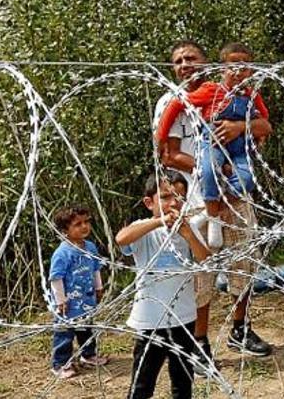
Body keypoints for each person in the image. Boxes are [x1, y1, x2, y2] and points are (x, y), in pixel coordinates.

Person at [154, 41, 274, 365]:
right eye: (178, 60)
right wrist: (211, 171)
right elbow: (167, 152)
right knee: (201, 272)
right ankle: (200, 341)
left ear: (207, 64)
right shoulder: (172, 101)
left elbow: (264, 125)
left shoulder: (235, 91)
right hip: (196, 196)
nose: (185, 64)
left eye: (191, 58)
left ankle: (240, 328)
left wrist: (238, 127)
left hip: (236, 193)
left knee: (244, 260)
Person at [116, 171, 211, 399]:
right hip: (150, 321)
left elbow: (205, 259)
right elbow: (122, 238)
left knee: (182, 382)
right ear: (150, 202)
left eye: (179, 197)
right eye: (166, 197)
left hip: (184, 318)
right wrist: (159, 222)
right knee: (142, 384)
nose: (173, 203)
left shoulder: (189, 229)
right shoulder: (145, 229)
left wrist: (188, 234)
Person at [48, 205, 109, 379]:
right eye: (77, 224)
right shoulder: (62, 253)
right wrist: (61, 300)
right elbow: (56, 278)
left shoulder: (90, 247)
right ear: (65, 230)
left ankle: (88, 355)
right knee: (64, 334)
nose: (84, 227)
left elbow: (96, 268)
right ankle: (60, 363)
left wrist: (99, 287)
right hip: (68, 304)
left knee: (87, 329)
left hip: (86, 299)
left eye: (86, 222)